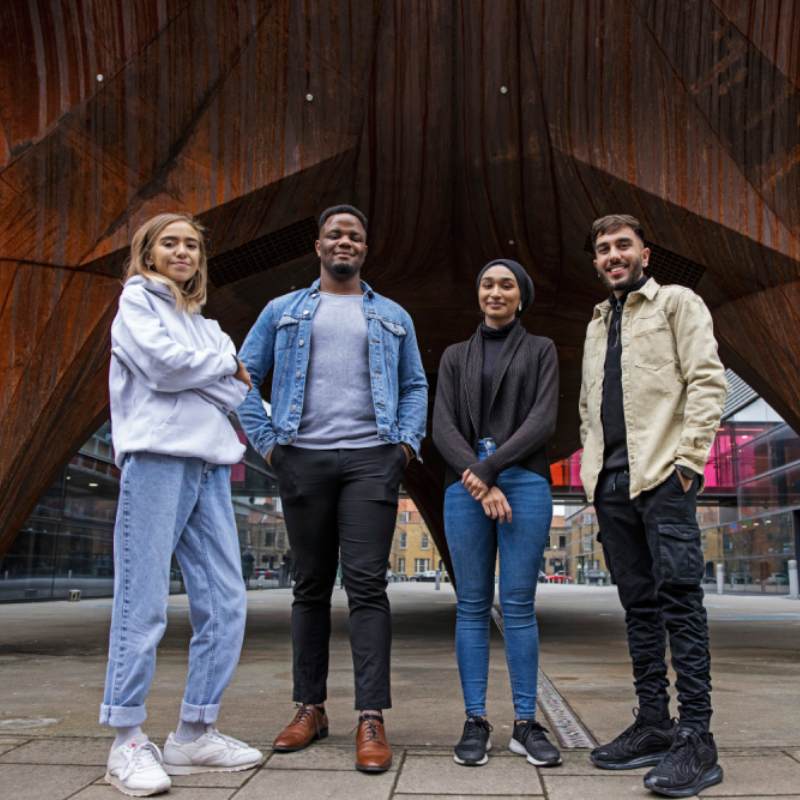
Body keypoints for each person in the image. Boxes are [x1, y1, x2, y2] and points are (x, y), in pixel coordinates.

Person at [237, 204, 427, 773]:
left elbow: (415, 385)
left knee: (368, 586)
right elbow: (240, 377)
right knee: (310, 586)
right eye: (335, 234)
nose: (345, 242)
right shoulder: (282, 310)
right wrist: (270, 446)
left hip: (372, 460)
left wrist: (403, 448)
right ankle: (310, 708)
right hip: (303, 458)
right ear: (317, 244)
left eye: (356, 236)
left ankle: (370, 716)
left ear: (364, 249)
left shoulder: (393, 314)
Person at [101, 213, 262, 796]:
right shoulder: (135, 306)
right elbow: (164, 369)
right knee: (142, 602)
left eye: (191, 245)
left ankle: (195, 731)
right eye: (169, 242)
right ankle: (126, 738)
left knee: (225, 601)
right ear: (148, 251)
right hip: (157, 461)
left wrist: (211, 371)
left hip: (211, 465)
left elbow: (237, 391)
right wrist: (218, 367)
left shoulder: (209, 325)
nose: (182, 252)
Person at [580, 214, 727, 797]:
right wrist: (593, 480)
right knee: (638, 608)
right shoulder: (596, 323)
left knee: (680, 601)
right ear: (596, 262)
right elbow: (591, 409)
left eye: (623, 246)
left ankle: (697, 737)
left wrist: (688, 463)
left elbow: (707, 381)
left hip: (662, 478)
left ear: (645, 253)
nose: (614, 255)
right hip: (612, 486)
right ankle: (653, 723)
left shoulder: (677, 303)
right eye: (603, 249)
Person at [432, 259, 561, 769]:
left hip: (523, 482)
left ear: (520, 297)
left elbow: (543, 419)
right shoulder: (454, 356)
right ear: (478, 293)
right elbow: (442, 428)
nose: (495, 291)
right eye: (487, 282)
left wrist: (489, 468)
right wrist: (479, 478)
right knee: (470, 605)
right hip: (465, 487)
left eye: (507, 284)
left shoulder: (541, 349)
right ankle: (476, 720)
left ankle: (526, 723)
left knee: (519, 605)